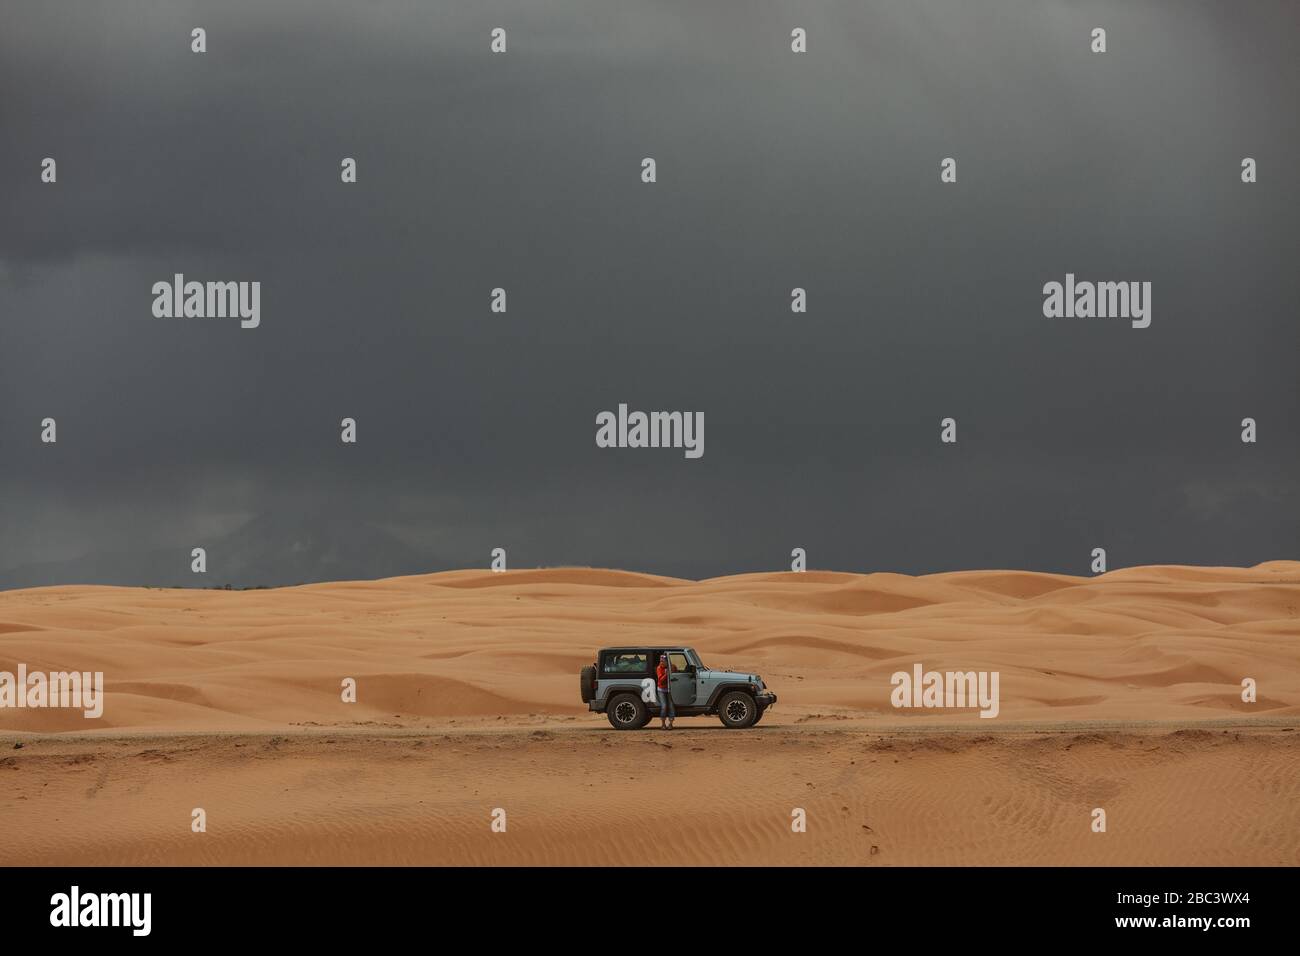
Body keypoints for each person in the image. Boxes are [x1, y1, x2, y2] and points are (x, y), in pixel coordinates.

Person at [655, 653, 675, 729]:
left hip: (670, 689)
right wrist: (666, 674)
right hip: (661, 689)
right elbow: (660, 680)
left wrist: (672, 671)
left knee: (671, 706)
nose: (661, 663)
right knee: (664, 706)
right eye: (661, 661)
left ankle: (671, 724)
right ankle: (663, 724)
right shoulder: (659, 668)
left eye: (663, 661)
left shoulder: (672, 667)